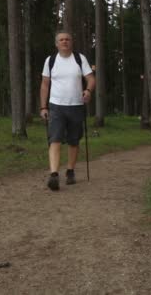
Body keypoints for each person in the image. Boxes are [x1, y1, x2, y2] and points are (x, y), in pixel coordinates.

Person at [40, 31, 95, 191]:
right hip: (56, 106)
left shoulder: (80, 59)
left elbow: (90, 78)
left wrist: (88, 91)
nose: (64, 42)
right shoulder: (50, 61)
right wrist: (43, 107)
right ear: (56, 44)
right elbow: (44, 84)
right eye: (61, 40)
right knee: (55, 139)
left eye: (67, 39)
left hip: (76, 105)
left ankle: (70, 170)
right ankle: (54, 175)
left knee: (73, 140)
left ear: (71, 42)